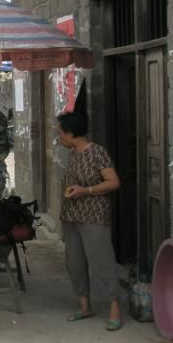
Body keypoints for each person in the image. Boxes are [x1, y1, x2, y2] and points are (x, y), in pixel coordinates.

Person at [57, 110, 123, 331]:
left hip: (93, 215)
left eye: (60, 133)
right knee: (74, 261)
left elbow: (113, 182)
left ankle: (114, 306)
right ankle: (85, 305)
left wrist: (86, 190)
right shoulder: (72, 153)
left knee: (101, 260)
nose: (59, 137)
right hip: (71, 215)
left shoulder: (97, 153)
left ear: (71, 133)